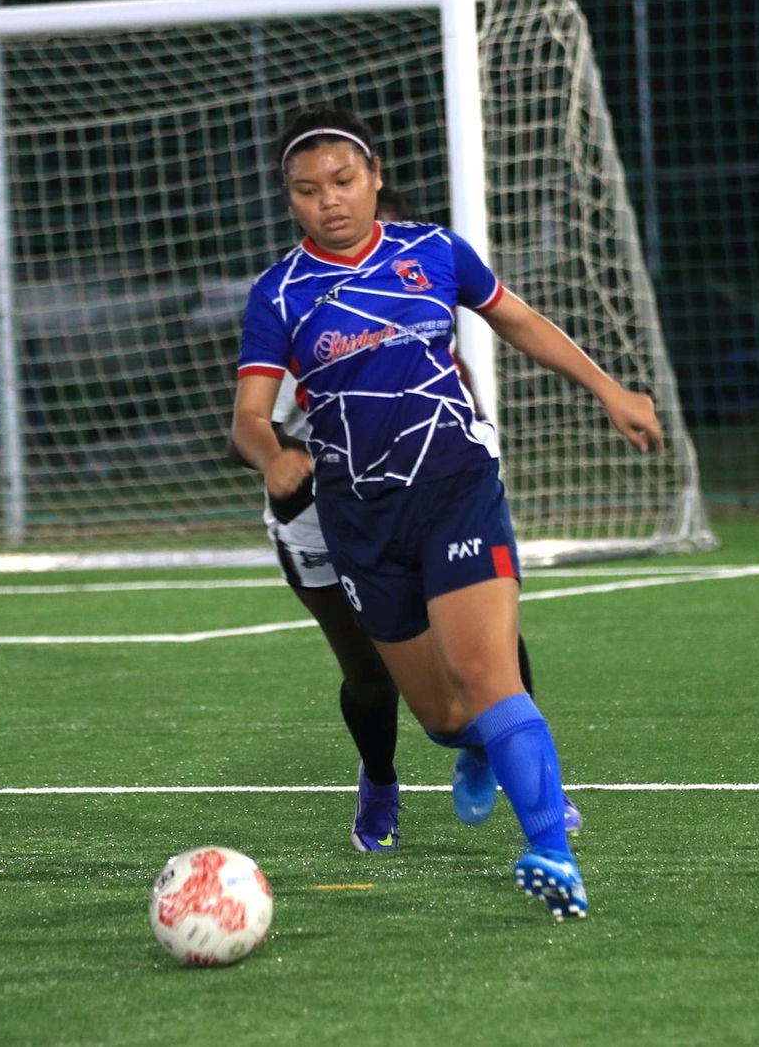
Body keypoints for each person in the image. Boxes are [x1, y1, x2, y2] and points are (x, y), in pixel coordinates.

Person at [231, 107, 662, 920]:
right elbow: (249, 417)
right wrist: (274, 454)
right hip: (358, 517)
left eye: (344, 181)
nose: (330, 201)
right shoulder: (279, 294)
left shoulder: (433, 252)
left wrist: (609, 389)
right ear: (289, 200)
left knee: (491, 678)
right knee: (440, 717)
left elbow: (519, 319)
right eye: (307, 190)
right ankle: (475, 751)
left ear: (376, 175)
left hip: (455, 484)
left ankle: (552, 853)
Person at [242, 184, 579, 855]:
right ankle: (380, 778)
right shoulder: (294, 303)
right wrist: (287, 460)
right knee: (370, 674)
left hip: (424, 493)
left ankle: (522, 777)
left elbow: (459, 392)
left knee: (491, 646)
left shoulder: (419, 283)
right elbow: (248, 428)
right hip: (317, 515)